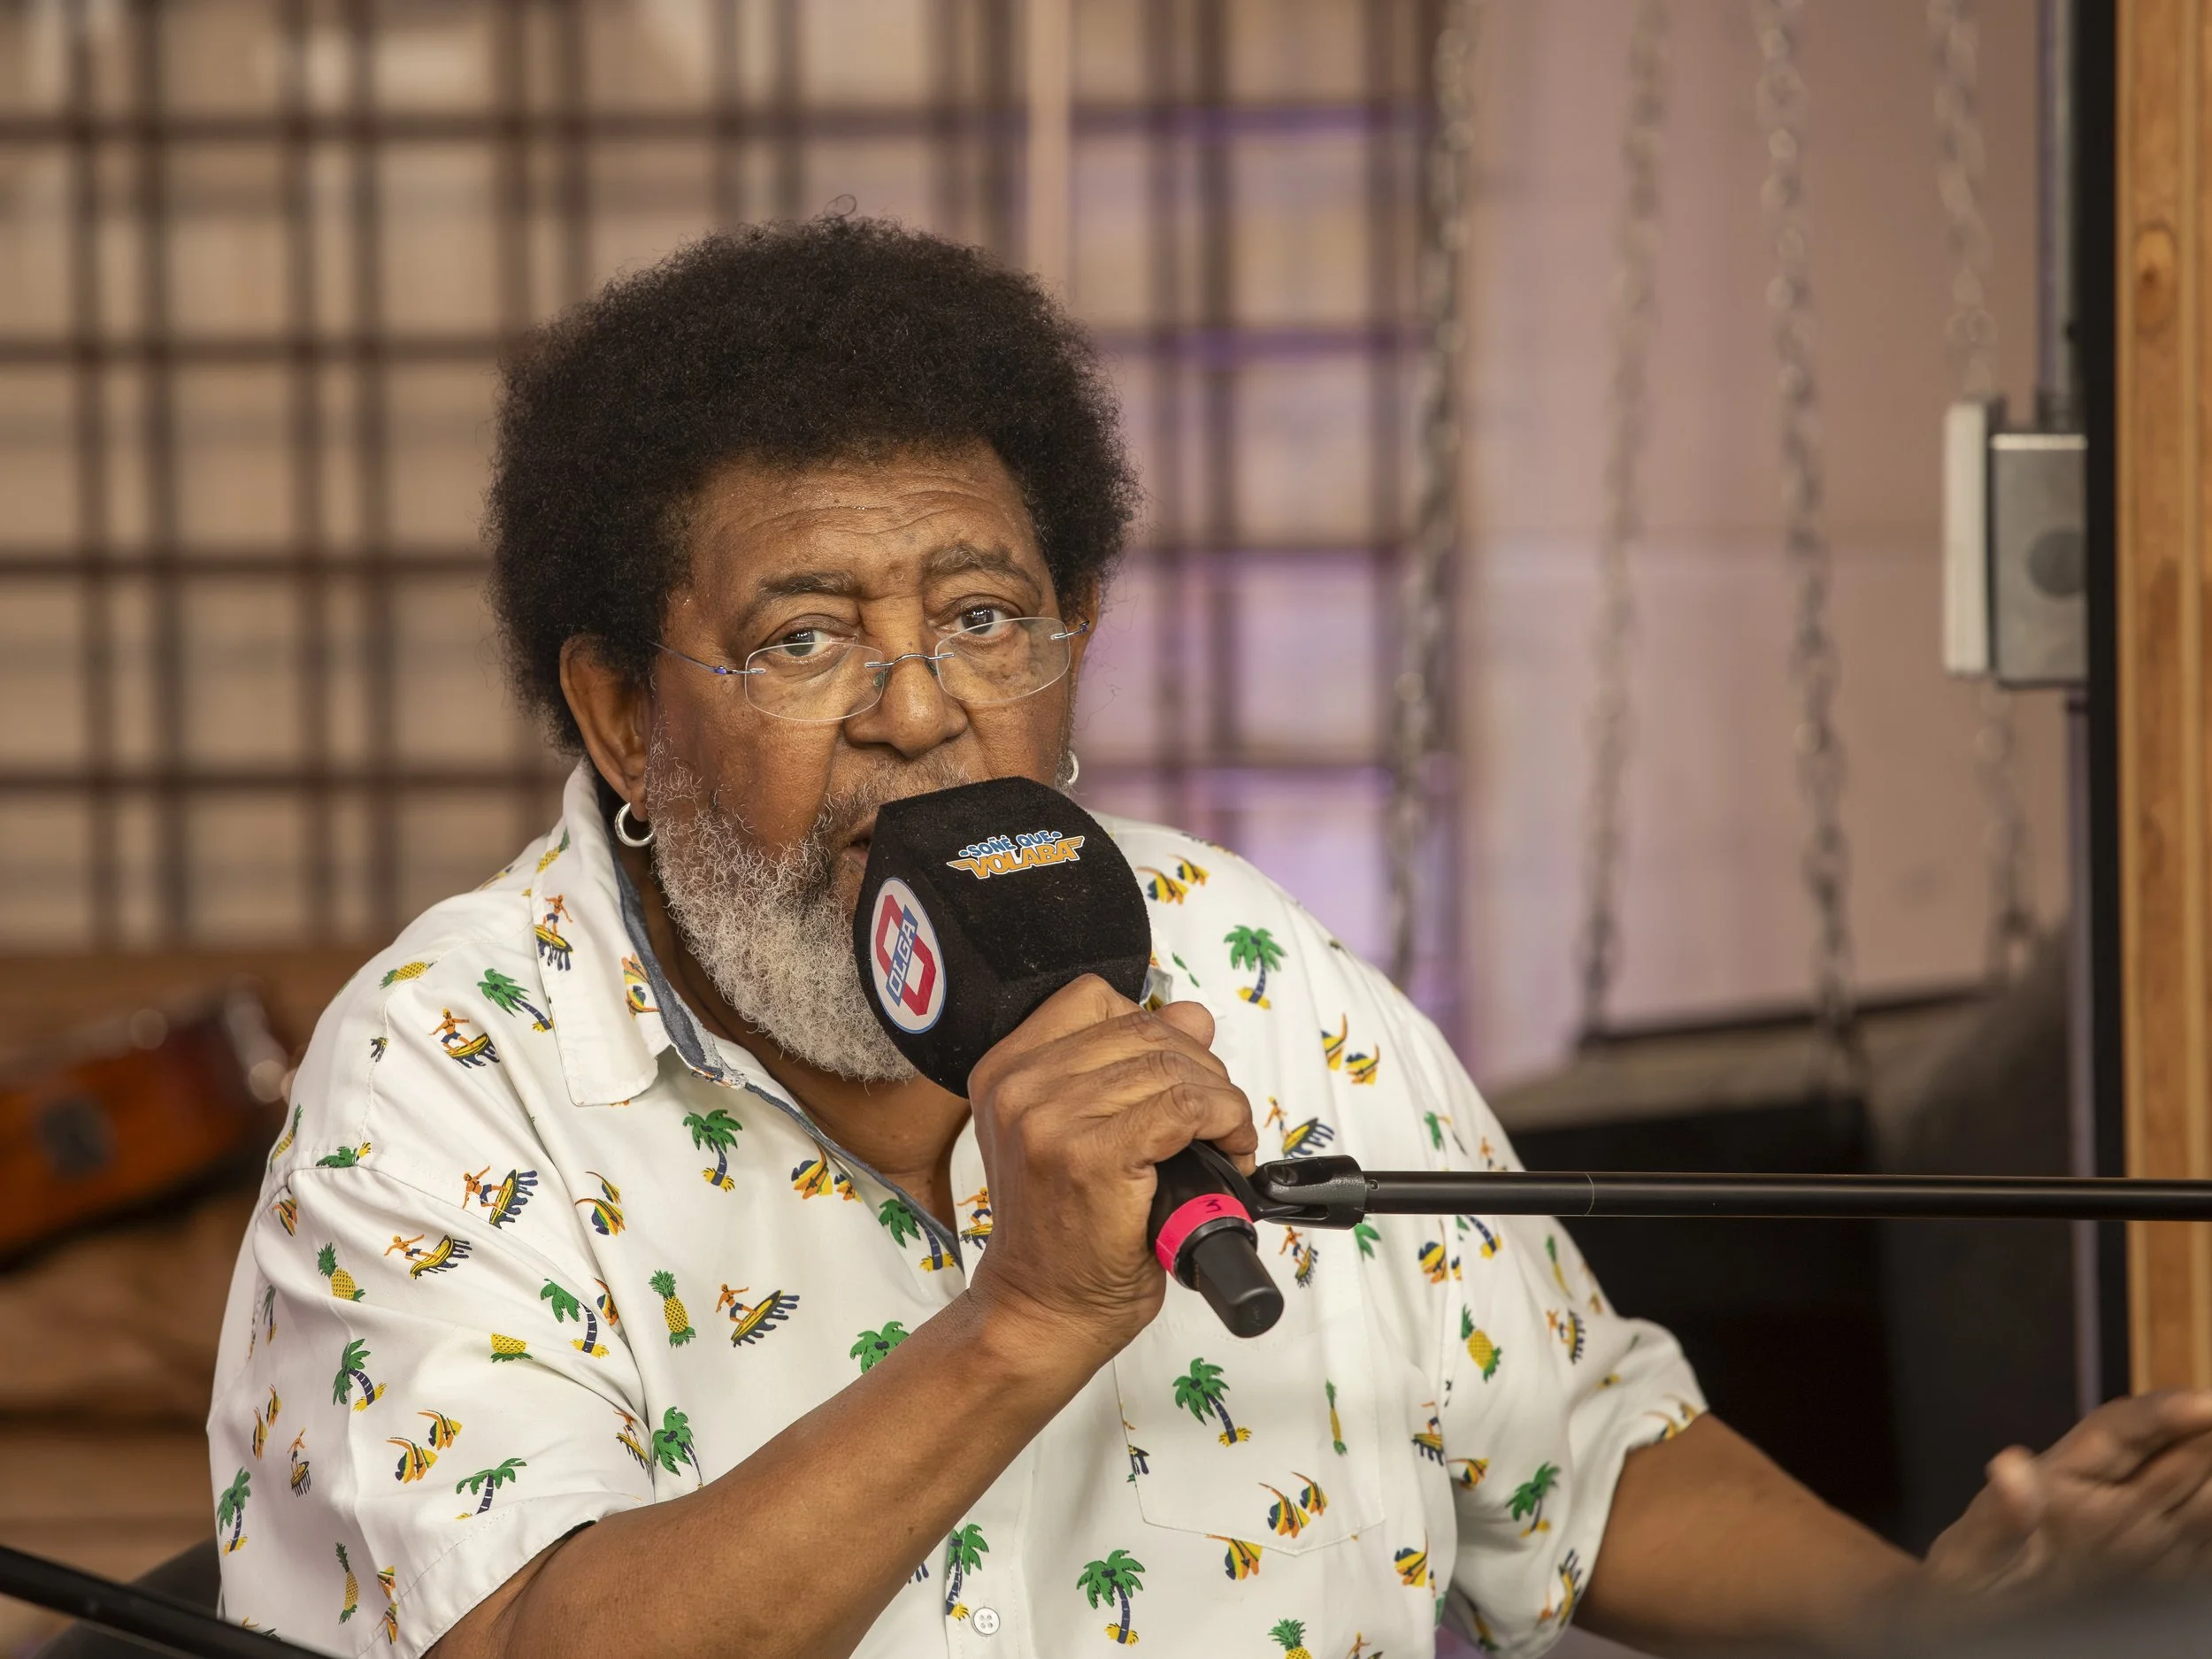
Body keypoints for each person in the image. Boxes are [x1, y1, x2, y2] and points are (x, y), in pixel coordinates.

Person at [208, 217, 2212, 1659]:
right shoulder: (445, 1075)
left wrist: (1930, 1630)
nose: (917, 709)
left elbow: (1579, 1456)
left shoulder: (1244, 961)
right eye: (804, 637)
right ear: (624, 711)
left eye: (984, 618)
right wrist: (1021, 1319)